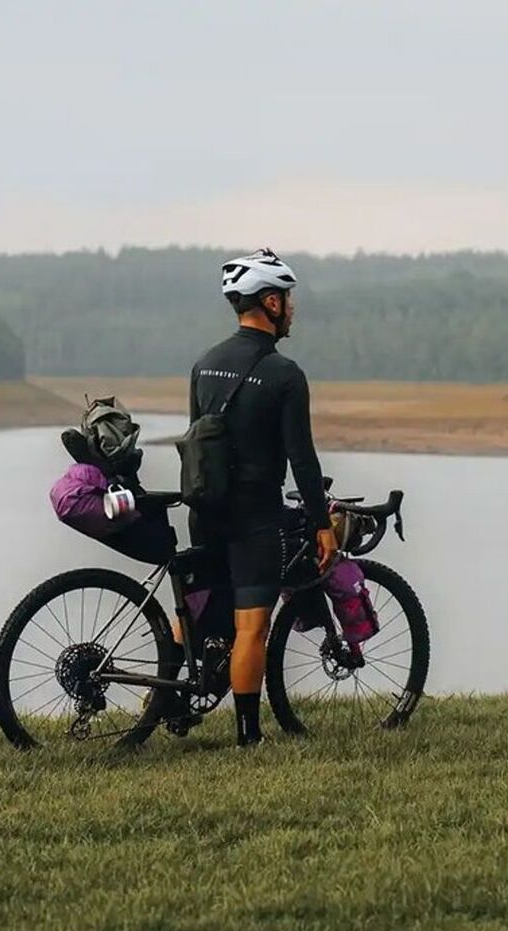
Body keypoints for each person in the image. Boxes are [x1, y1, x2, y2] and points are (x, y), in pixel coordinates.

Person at [188, 248, 337, 746]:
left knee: (196, 608)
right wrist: (321, 524)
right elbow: (302, 458)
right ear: (271, 303)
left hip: (205, 510)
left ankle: (165, 700)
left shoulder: (205, 364)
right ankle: (248, 735)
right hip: (254, 515)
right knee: (251, 626)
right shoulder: (284, 374)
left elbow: (195, 442)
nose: (292, 308)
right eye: (288, 299)